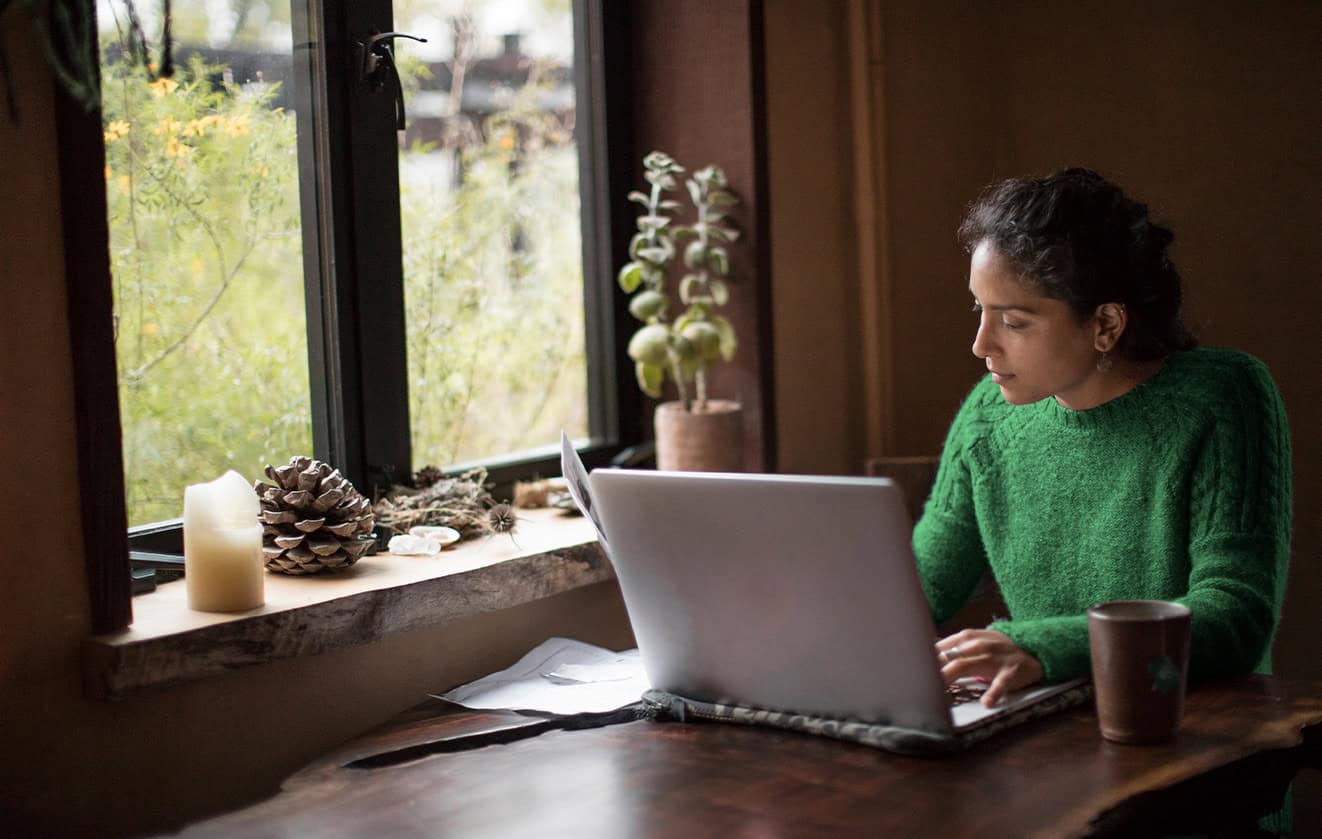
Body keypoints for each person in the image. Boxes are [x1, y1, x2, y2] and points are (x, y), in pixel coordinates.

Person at [913, 168, 1293, 722]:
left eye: (1013, 321)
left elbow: (1234, 614)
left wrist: (1046, 648)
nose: (980, 345)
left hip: (1194, 743)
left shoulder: (1222, 397)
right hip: (1044, 742)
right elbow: (922, 586)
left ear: (1107, 324)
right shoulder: (987, 417)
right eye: (980, 310)